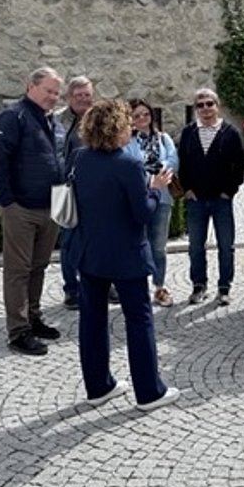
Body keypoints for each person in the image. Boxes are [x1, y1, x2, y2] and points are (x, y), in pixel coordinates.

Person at [71, 99, 178, 412]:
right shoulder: (128, 164)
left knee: (92, 321)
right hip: (126, 255)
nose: (131, 127)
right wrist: (155, 188)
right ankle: (149, 392)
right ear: (116, 127)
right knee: (139, 321)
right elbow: (142, 213)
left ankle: (98, 386)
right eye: (127, 123)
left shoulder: (81, 158)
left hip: (91, 252)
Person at [0, 66, 66, 357]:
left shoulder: (52, 121)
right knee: (18, 271)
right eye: (49, 90)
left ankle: (33, 317)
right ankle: (18, 331)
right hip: (21, 208)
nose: (53, 97)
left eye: (56, 93)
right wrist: (8, 202)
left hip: (50, 206)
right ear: (31, 86)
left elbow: (58, 162)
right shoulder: (13, 116)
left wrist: (62, 202)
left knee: (39, 267)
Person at [177, 88, 244, 306]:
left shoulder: (230, 133)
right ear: (196, 109)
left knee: (226, 246)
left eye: (209, 104)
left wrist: (229, 191)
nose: (205, 108)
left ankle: (224, 287)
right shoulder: (188, 133)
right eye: (200, 105)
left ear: (217, 106)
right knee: (196, 247)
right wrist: (187, 189)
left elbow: (239, 166)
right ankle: (199, 286)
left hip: (221, 200)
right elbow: (182, 162)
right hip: (195, 200)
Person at [125, 99, 179, 307]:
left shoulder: (163, 138)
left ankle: (159, 287)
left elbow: (173, 161)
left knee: (158, 246)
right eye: (137, 115)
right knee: (136, 244)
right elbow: (128, 165)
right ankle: (137, 288)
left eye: (145, 114)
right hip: (137, 199)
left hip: (162, 198)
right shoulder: (127, 141)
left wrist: (160, 169)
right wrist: (150, 178)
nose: (142, 118)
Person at [58, 76, 94, 309]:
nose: (83, 99)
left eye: (87, 94)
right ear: (69, 97)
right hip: (63, 190)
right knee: (69, 241)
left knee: (98, 238)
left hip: (96, 190)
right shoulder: (56, 119)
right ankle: (71, 288)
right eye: (78, 95)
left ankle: (101, 283)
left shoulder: (99, 117)